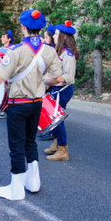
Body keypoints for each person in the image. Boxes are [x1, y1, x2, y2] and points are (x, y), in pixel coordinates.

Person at [0, 10, 65, 201]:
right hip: (37, 103)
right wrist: (42, 81)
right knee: (30, 141)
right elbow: (59, 78)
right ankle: (34, 182)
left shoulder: (16, 51)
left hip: (18, 104)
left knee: (16, 145)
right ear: (41, 28)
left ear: (23, 27)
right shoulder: (49, 50)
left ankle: (16, 189)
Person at [43, 21, 80, 161]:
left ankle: (63, 150)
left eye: (57, 34)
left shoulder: (68, 55)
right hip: (56, 89)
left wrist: (52, 80)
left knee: (57, 120)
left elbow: (68, 77)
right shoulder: (61, 52)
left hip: (62, 90)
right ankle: (57, 143)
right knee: (52, 118)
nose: (54, 36)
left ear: (64, 37)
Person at [38, 24, 57, 141]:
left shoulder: (53, 50)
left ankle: (51, 130)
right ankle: (46, 127)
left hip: (50, 79)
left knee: (49, 105)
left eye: (46, 37)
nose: (45, 40)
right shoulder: (47, 47)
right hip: (45, 78)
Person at [0, 30, 16, 119]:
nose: (2, 39)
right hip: (2, 73)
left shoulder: (12, 48)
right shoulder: (1, 47)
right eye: (2, 37)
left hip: (10, 73)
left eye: (4, 37)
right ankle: (1, 107)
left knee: (9, 92)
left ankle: (5, 110)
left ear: (9, 39)